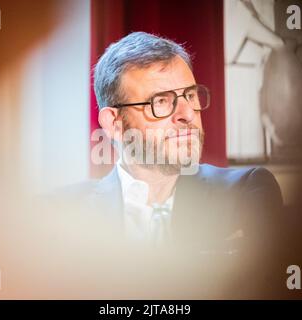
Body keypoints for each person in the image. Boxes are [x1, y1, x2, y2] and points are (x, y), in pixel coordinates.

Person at [57, 31, 283, 259]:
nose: (187, 114)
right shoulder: (61, 216)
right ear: (114, 123)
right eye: (161, 101)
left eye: (191, 96)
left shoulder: (245, 194)